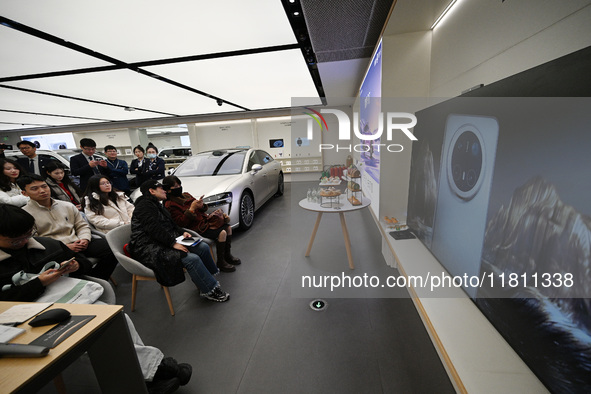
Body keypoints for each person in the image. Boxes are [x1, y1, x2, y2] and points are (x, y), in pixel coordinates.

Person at [0, 204, 192, 393]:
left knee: (119, 321)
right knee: (93, 337)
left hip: (73, 298)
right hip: (30, 315)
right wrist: (38, 283)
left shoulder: (46, 245)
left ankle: (149, 377)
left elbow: (82, 263)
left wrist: (75, 266)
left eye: (28, 234)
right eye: (16, 240)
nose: (25, 241)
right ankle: (159, 369)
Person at [130, 180, 229, 302]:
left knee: (202, 247)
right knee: (192, 259)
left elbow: (171, 224)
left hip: (164, 239)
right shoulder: (144, 206)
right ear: (152, 191)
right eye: (161, 188)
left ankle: (207, 280)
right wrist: (173, 243)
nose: (165, 190)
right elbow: (153, 230)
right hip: (148, 246)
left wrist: (182, 232)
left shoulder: (156, 204)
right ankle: (210, 289)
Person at [18, 174, 118, 281]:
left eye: (44, 186)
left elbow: (81, 225)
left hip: (79, 241)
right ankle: (91, 281)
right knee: (78, 263)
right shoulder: (24, 215)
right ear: (24, 193)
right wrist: (64, 247)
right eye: (34, 189)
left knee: (113, 248)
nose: (42, 191)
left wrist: (84, 238)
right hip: (56, 249)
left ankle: (97, 279)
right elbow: (34, 241)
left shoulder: (66, 205)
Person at [162, 175, 241, 273]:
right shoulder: (170, 205)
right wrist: (191, 209)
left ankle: (227, 256)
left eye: (179, 185)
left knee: (228, 228)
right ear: (168, 190)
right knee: (222, 232)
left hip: (204, 222)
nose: (179, 188)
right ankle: (220, 262)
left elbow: (202, 209)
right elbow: (180, 223)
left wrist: (201, 205)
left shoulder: (186, 195)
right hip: (195, 228)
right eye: (175, 186)